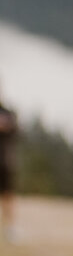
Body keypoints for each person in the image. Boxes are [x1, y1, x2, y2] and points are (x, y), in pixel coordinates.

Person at [0, 93, 18, 242]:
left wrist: (6, 126)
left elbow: (16, 131)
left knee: (7, 194)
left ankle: (10, 228)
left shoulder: (7, 112)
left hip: (4, 161)